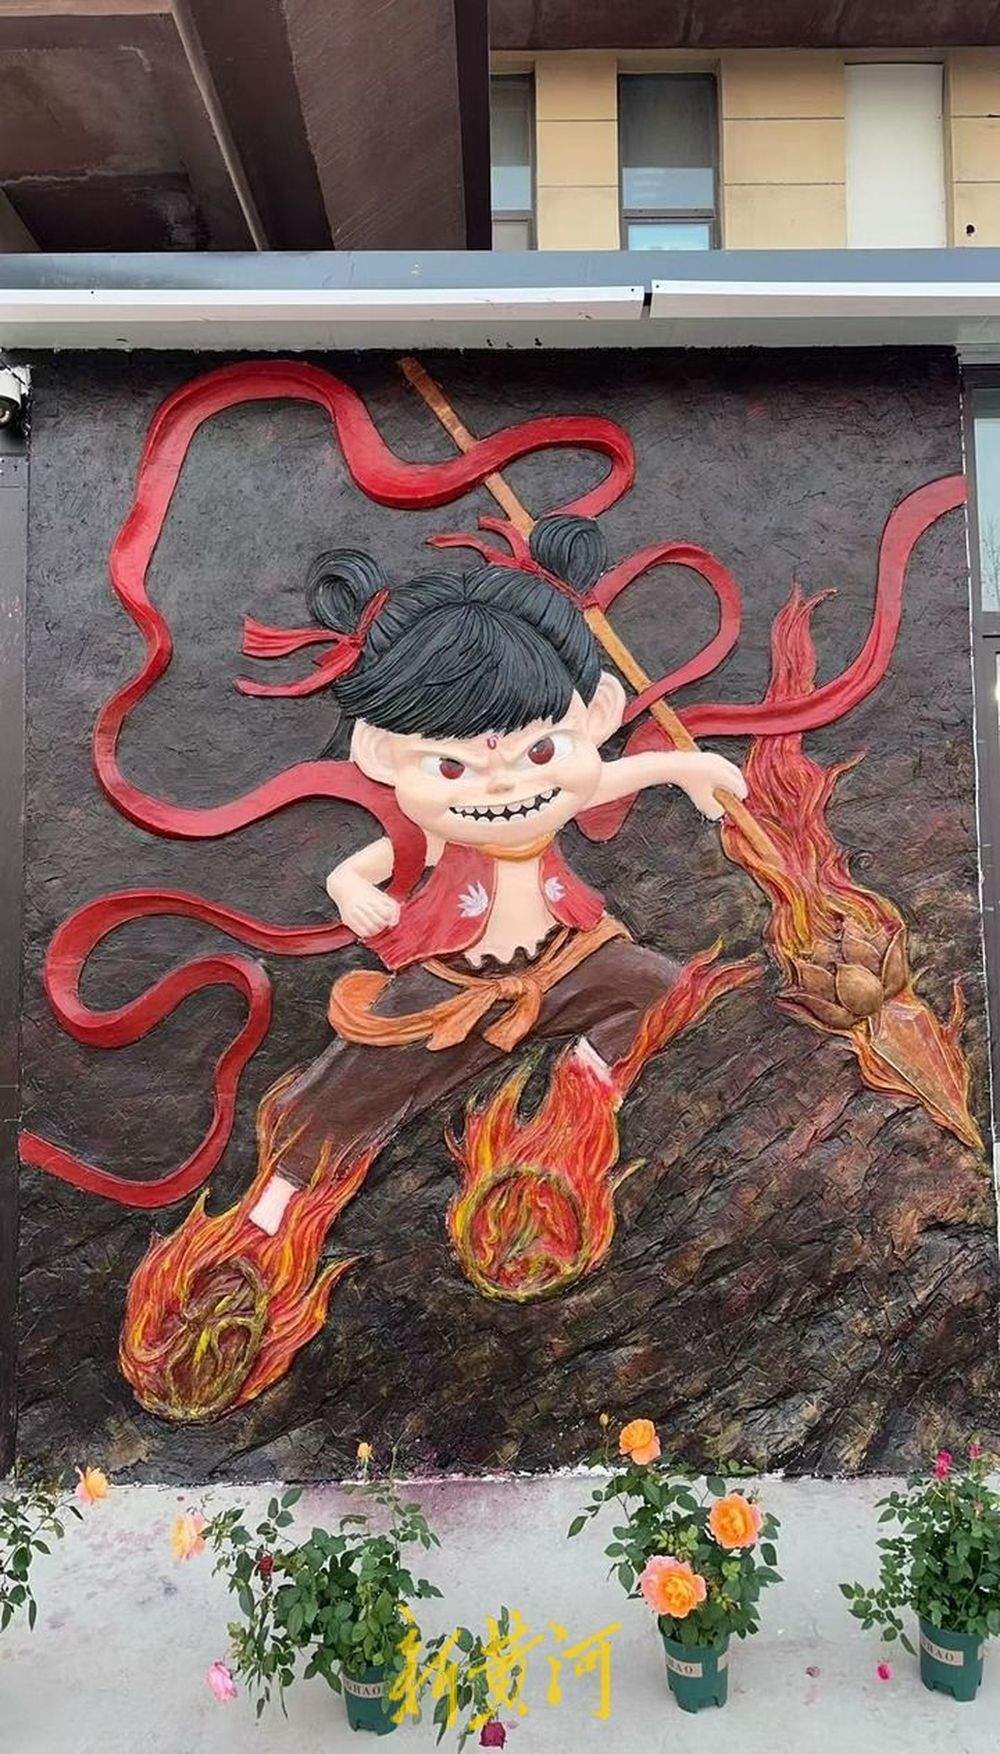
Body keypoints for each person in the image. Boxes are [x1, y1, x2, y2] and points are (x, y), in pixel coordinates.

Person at [246, 512, 746, 1237]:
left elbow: (597, 781)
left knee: (660, 989)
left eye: (539, 752)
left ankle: (581, 1094)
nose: (504, 786)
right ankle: (277, 1203)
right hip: (454, 983)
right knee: (354, 1084)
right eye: (452, 767)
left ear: (595, 715)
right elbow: (364, 865)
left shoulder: (560, 789)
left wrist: (684, 766)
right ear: (380, 753)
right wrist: (349, 888)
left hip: (564, 960)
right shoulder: (434, 833)